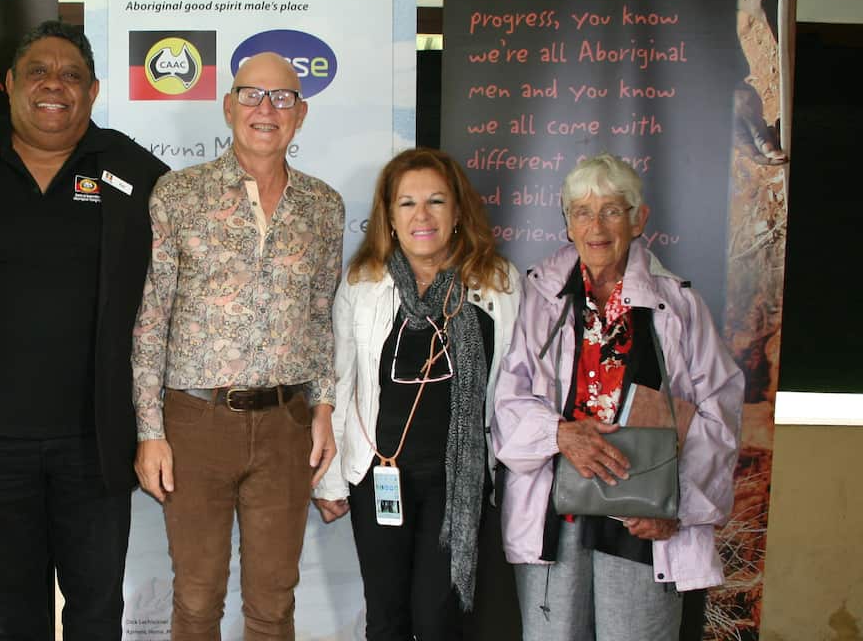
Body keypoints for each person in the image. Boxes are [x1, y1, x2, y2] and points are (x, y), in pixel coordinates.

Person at [0, 20, 168, 640]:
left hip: (97, 444)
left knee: (96, 607)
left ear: (93, 90)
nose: (54, 84)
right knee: (12, 609)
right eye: (38, 71)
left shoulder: (135, 174)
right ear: (8, 85)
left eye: (71, 75)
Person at [132, 52, 344, 640]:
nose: (265, 109)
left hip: (286, 426)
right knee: (197, 599)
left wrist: (323, 407)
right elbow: (152, 319)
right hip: (194, 423)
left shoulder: (324, 207)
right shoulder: (178, 196)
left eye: (281, 98)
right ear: (229, 106)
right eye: (252, 95)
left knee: (273, 604)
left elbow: (323, 314)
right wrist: (150, 430)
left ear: (299, 115)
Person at [491, 154, 744, 640]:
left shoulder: (679, 307)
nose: (597, 226)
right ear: (567, 225)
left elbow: (722, 413)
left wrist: (675, 507)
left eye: (612, 210)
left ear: (638, 219)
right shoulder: (539, 299)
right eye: (582, 212)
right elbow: (508, 399)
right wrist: (560, 434)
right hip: (555, 512)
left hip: (640, 519)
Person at [312, 148, 521, 639]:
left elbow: (517, 386)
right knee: (386, 619)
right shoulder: (363, 284)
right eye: (406, 204)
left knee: (436, 622)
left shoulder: (498, 283)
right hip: (379, 477)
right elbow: (339, 385)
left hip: (458, 485)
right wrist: (329, 482)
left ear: (458, 212)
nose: (421, 216)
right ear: (388, 216)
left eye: (435, 201)